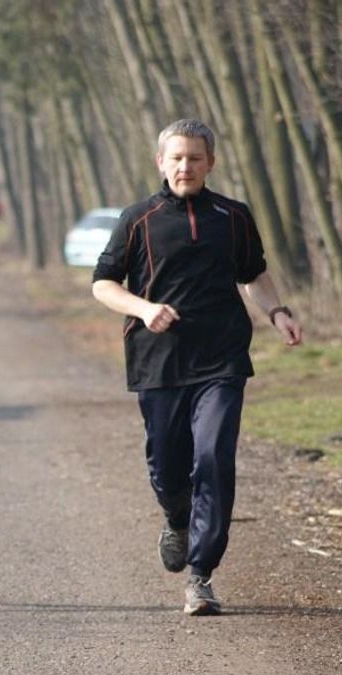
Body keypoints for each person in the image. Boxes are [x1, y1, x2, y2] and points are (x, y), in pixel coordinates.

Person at [91, 119, 302, 616]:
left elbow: (253, 274)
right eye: (177, 158)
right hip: (158, 361)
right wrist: (144, 309)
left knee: (212, 456)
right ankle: (176, 517)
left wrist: (277, 311)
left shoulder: (232, 216)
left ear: (211, 163)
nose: (186, 166)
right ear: (161, 162)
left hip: (221, 358)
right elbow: (102, 283)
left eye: (196, 158)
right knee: (167, 466)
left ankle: (201, 575)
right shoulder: (137, 219)